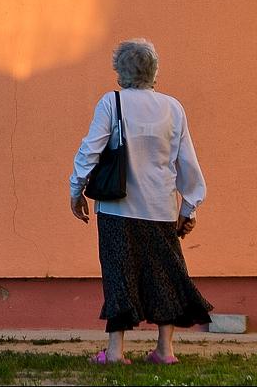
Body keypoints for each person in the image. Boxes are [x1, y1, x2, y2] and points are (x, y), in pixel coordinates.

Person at [69, 38, 213, 365]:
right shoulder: (173, 108)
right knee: (165, 275)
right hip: (161, 207)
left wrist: (76, 190)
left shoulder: (111, 102)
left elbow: (90, 150)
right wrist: (188, 208)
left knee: (120, 276)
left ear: (120, 70)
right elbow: (186, 162)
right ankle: (165, 350)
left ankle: (116, 352)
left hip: (117, 208)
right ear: (154, 70)